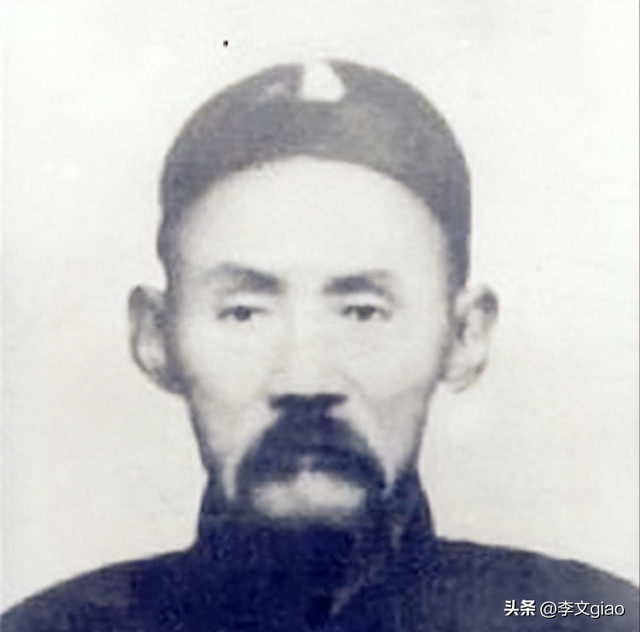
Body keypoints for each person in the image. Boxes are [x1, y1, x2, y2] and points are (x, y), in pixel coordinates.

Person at [2, 60, 637, 632]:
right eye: (245, 312)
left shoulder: (585, 616)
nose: (305, 378)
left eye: (363, 311)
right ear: (154, 337)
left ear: (465, 334)